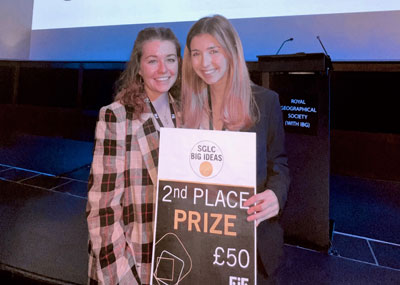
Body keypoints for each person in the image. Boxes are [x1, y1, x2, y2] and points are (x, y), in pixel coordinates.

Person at [181, 15, 290, 283]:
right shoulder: (184, 107)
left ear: (231, 52)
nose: (204, 63)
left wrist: (276, 195)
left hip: (250, 245)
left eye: (213, 51)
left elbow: (280, 165)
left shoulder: (265, 103)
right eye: (196, 54)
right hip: (196, 243)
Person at [86, 27, 181, 285]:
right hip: (130, 267)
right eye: (153, 60)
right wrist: (123, 278)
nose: (163, 69)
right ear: (138, 67)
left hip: (175, 265)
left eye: (170, 59)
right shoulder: (117, 116)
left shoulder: (188, 116)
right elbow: (102, 211)